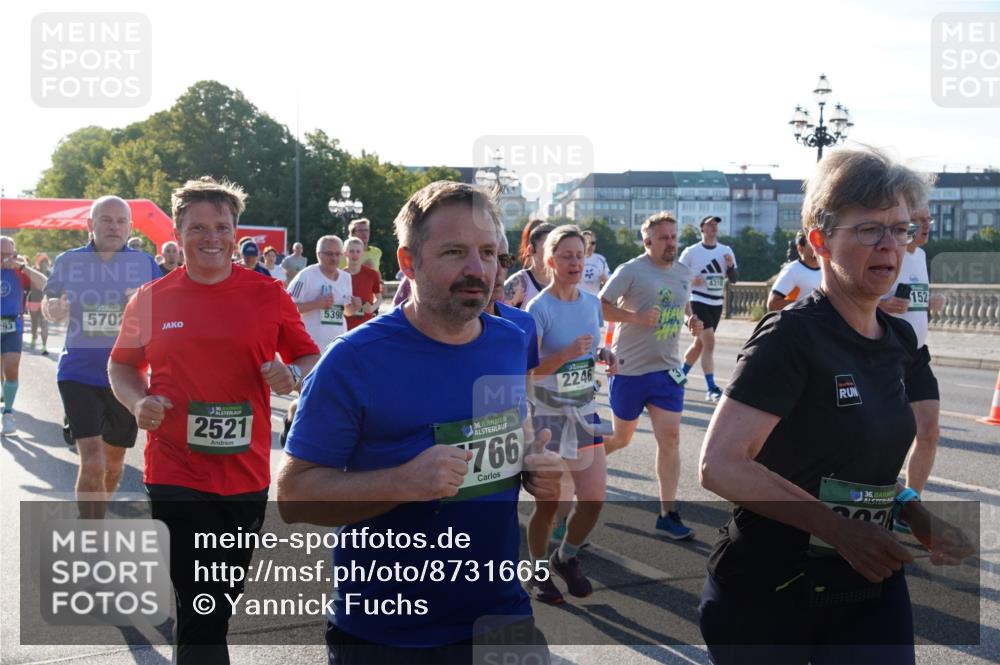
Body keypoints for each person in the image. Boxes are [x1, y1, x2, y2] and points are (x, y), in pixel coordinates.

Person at [698, 148, 973, 664]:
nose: (891, 244)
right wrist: (838, 529)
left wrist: (914, 512)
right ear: (821, 240)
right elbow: (719, 465)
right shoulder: (791, 337)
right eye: (870, 229)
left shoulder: (899, 341)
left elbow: (858, 462)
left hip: (866, 581)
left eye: (901, 228)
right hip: (769, 591)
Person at [277, 180, 562, 663]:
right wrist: (404, 482)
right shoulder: (353, 359)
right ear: (409, 263)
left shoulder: (510, 340)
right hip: (388, 633)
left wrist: (531, 464)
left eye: (489, 253)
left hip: (499, 614)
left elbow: (508, 431)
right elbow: (293, 496)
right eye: (454, 252)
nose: (478, 270)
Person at [108, 176, 320, 664]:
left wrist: (290, 373)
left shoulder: (267, 295)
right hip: (174, 469)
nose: (211, 237)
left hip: (244, 473)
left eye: (221, 227)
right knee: (200, 607)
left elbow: (310, 358)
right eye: (198, 227)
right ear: (178, 233)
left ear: (235, 232)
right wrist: (139, 403)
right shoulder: (151, 298)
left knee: (219, 601)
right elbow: (121, 365)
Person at [42, 196, 161, 515]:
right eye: (106, 220)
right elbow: (49, 303)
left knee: (113, 463)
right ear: (90, 225)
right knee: (92, 461)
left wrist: (143, 303)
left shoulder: (144, 264)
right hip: (78, 373)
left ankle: (97, 515)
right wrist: (53, 309)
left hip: (128, 376)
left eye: (121, 221)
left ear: (130, 227)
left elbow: (165, 313)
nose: (114, 226)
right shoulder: (69, 261)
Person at [523, 225, 617, 604]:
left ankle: (567, 557)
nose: (576, 262)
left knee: (593, 499)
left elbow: (588, 352)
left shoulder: (592, 303)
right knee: (549, 507)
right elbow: (529, 374)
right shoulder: (538, 309)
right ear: (550, 261)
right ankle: (537, 570)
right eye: (567, 255)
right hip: (548, 417)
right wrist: (564, 355)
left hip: (585, 412)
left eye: (580, 255)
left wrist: (603, 356)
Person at [599, 212, 703, 539]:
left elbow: (684, 304)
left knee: (670, 439)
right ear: (647, 242)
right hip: (629, 369)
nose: (671, 242)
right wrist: (636, 317)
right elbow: (600, 306)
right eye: (663, 238)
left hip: (667, 370)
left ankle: (667, 513)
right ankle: (584, 462)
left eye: (673, 237)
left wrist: (691, 320)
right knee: (621, 438)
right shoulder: (630, 271)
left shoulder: (684, 272)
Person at [879, 200, 943, 528]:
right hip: (887, 353)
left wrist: (929, 301)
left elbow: (912, 302)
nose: (927, 224)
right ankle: (880, 495)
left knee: (929, 430)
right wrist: (881, 303)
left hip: (917, 354)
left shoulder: (920, 256)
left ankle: (910, 503)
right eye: (920, 219)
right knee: (886, 433)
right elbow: (857, 294)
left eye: (929, 219)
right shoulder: (892, 251)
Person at [679, 215, 738, 402]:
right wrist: (692, 280)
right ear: (702, 229)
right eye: (709, 225)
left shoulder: (725, 250)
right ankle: (711, 388)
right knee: (710, 343)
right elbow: (677, 275)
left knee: (699, 344)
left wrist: (729, 266)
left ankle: (678, 378)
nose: (713, 229)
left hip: (716, 303)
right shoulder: (691, 252)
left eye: (715, 226)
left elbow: (735, 278)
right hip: (698, 300)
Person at [1, 237, 48, 435]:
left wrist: (22, 268)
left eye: (8, 254)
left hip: (13, 325)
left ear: (14, 253)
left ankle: (8, 414)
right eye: (0, 254)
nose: (4, 259)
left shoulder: (20, 272)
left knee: (11, 368)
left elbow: (44, 283)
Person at [287, 235, 361, 351]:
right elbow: (287, 308)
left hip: (336, 346)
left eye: (337, 254)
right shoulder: (306, 276)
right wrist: (315, 304)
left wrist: (354, 307)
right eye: (329, 254)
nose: (334, 258)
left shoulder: (346, 278)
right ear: (318, 254)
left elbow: (345, 311)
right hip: (311, 348)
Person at [767, 229, 822, 311]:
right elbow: (772, 304)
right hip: (801, 322)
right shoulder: (792, 270)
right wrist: (799, 302)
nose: (817, 245)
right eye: (811, 242)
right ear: (800, 248)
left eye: (818, 241)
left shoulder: (828, 269)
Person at [503, 222, 554, 309]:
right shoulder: (518, 283)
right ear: (531, 250)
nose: (552, 253)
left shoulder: (566, 282)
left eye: (556, 247)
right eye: (547, 248)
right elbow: (496, 317)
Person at [342, 237, 382, 330]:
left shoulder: (372, 274)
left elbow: (379, 298)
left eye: (358, 251)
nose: (355, 254)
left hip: (365, 325)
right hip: (344, 326)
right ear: (345, 253)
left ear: (362, 253)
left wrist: (372, 308)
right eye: (351, 251)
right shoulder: (339, 275)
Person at [27, 253, 52, 355]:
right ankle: (34, 337)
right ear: (39, 263)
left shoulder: (50, 273)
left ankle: (44, 347)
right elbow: (29, 286)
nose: (44, 265)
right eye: (42, 262)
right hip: (33, 300)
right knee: (34, 323)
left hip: (44, 301)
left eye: (45, 262)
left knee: (44, 324)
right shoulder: (33, 271)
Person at [580, 229, 610, 297]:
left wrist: (605, 280)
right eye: (586, 242)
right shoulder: (575, 259)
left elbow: (609, 282)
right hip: (576, 299)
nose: (590, 246)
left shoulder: (601, 259)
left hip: (594, 299)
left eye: (593, 243)